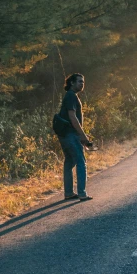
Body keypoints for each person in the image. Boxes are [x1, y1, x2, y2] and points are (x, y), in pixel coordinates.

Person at [58, 73, 93, 201]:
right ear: (71, 82)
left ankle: (68, 193)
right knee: (81, 162)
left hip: (65, 134)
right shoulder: (71, 96)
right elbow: (73, 117)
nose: (82, 84)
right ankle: (82, 193)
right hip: (70, 134)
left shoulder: (70, 96)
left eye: (83, 82)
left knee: (69, 162)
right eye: (79, 81)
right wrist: (82, 135)